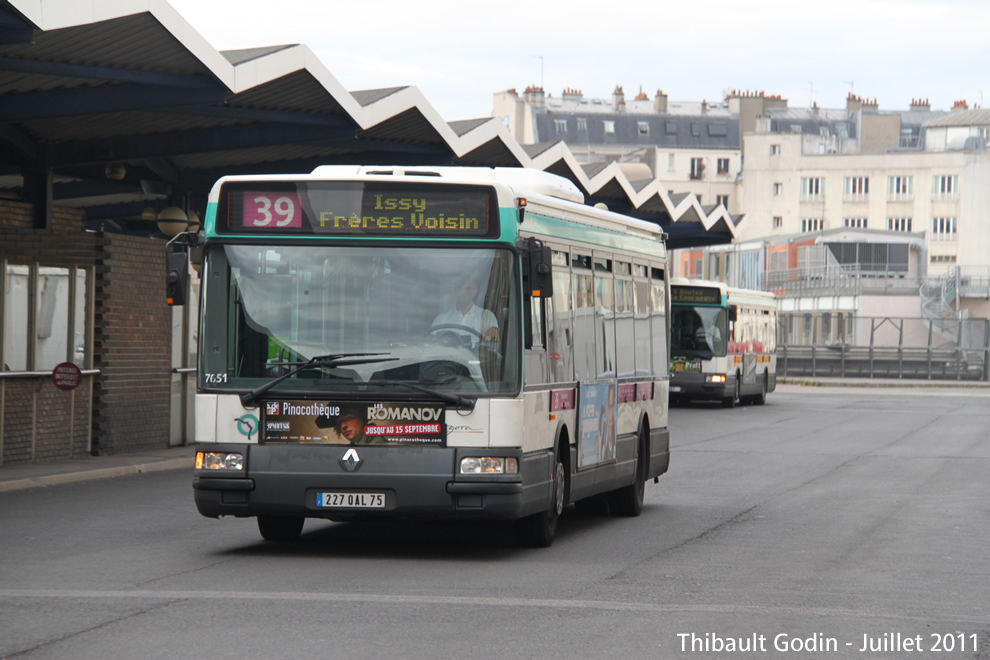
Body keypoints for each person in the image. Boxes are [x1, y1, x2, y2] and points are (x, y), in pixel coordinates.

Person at [431, 278, 498, 348]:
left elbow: (493, 340)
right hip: (446, 357)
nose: (462, 292)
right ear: (455, 291)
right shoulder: (441, 319)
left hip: (475, 358)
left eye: (468, 289)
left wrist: (489, 338)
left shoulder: (486, 316)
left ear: (474, 292)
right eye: (459, 288)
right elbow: (431, 345)